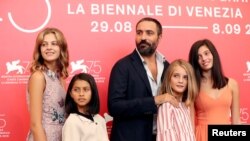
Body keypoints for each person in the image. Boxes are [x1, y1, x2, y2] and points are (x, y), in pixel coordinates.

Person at [108, 17, 179, 141]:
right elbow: (115, 106)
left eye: (149, 33)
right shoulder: (122, 66)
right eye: (139, 32)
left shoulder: (168, 66)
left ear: (159, 37)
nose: (143, 37)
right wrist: (154, 101)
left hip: (161, 136)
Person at [188, 39, 241, 141]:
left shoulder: (232, 84)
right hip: (202, 136)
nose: (204, 58)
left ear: (213, 54)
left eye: (206, 53)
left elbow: (236, 121)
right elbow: (190, 123)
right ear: (195, 62)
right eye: (199, 57)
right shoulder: (193, 86)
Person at [26, 27, 69, 141]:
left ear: (61, 48)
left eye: (54, 44)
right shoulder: (38, 77)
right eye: (44, 44)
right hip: (43, 137)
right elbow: (35, 124)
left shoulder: (60, 78)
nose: (49, 47)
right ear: (39, 49)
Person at [157, 59, 197, 141]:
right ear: (169, 79)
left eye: (185, 77)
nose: (180, 81)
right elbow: (167, 137)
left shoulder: (185, 107)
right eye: (176, 76)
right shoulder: (166, 106)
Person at [62, 73, 109, 141]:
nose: (81, 94)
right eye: (76, 90)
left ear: (93, 92)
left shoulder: (100, 119)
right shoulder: (72, 122)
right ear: (71, 93)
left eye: (86, 89)